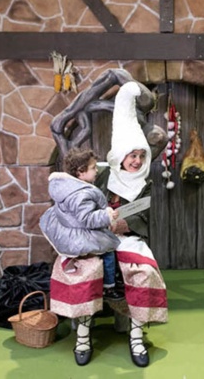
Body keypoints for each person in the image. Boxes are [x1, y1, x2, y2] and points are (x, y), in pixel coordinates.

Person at [94, 81, 168, 368]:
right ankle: (83, 333)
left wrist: (124, 223)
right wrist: (101, 221)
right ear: (121, 155)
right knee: (85, 270)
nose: (136, 161)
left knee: (143, 273)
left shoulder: (143, 183)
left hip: (130, 239)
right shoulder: (103, 177)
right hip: (99, 238)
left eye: (141, 156)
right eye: (132, 155)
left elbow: (142, 215)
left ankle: (136, 336)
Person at [39, 147, 124, 365]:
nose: (96, 171)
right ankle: (109, 285)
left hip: (65, 231)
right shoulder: (82, 193)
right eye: (93, 168)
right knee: (109, 249)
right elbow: (86, 219)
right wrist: (106, 215)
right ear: (80, 172)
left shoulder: (64, 187)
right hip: (79, 236)